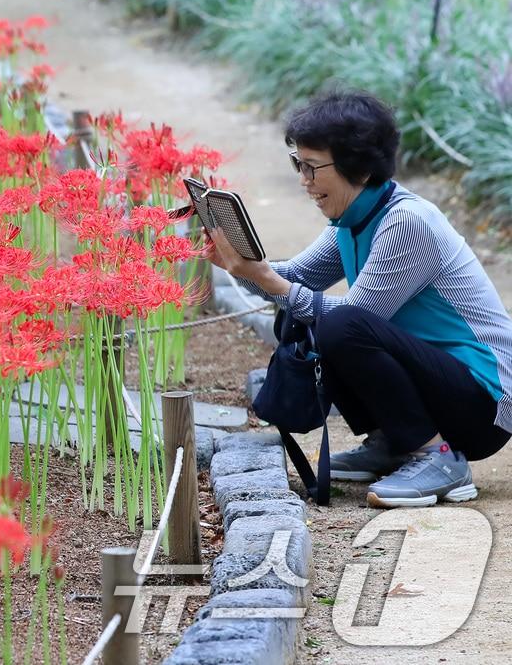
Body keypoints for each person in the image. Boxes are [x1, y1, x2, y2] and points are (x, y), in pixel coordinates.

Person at [207, 91, 512, 508]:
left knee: (339, 325)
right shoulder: (352, 219)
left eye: (312, 167)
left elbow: (353, 317)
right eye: (298, 164)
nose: (304, 181)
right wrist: (241, 264)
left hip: (484, 404)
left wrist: (267, 279)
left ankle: (437, 457)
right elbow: (293, 279)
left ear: (361, 168)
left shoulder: (407, 221)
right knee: (324, 319)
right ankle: (395, 442)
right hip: (443, 387)